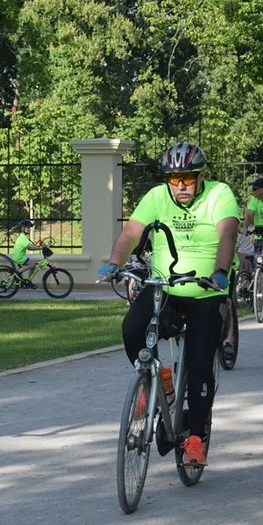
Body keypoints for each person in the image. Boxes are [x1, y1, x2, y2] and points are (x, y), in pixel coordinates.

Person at [98, 141, 238, 467]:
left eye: (187, 178)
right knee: (132, 329)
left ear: (200, 175)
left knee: (201, 364)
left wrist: (220, 271)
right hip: (166, 287)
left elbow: (228, 234)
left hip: (206, 290)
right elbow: (131, 233)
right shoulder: (158, 196)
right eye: (174, 179)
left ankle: (195, 439)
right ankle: (158, 378)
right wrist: (115, 262)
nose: (180, 186)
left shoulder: (219, 194)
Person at [9, 219, 41, 284]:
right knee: (32, 264)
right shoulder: (23, 237)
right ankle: (17, 273)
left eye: (30, 227)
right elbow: (30, 247)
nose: (29, 229)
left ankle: (29, 281)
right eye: (28, 227)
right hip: (19, 257)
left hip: (20, 256)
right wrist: (40, 248)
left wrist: (39, 246)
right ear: (23, 228)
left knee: (33, 265)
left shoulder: (23, 237)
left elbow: (30, 246)